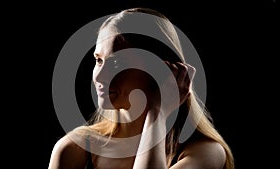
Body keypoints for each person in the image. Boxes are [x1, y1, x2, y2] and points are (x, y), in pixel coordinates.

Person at [48, 7, 235, 169]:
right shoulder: (74, 149)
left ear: (160, 69)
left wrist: (157, 113)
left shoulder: (205, 152)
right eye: (98, 61)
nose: (98, 76)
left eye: (116, 63)